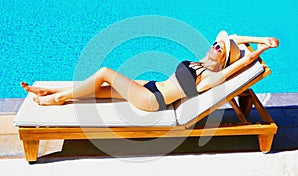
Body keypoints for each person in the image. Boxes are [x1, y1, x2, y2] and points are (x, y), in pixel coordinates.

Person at [21, 30, 279, 112]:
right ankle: (52, 90)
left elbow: (242, 62)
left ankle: (57, 98)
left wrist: (260, 51)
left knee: (104, 73)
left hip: (153, 100)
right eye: (215, 44)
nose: (215, 46)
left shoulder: (211, 77)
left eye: (219, 49)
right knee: (104, 90)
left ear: (223, 60)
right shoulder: (200, 61)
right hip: (151, 86)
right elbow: (231, 36)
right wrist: (260, 37)